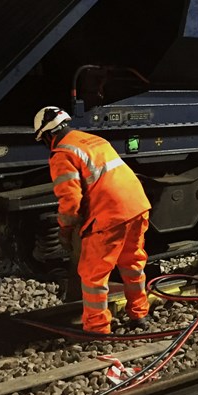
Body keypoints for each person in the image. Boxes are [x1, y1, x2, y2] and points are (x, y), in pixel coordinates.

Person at [34, 106, 152, 334]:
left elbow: (70, 201)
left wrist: (65, 230)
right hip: (137, 205)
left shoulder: (61, 153)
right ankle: (140, 315)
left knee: (93, 275)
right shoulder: (93, 139)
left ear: (47, 135)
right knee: (133, 264)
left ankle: (97, 329)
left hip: (110, 214)